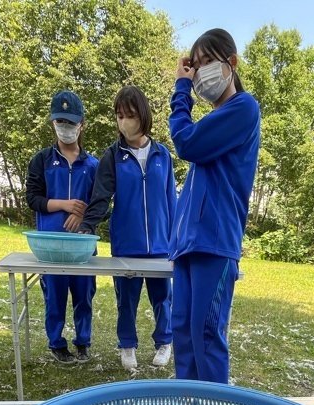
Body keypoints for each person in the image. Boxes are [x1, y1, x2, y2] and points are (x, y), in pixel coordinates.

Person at [169, 29, 261, 383]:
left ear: (231, 63)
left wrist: (181, 90)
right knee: (183, 334)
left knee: (206, 336)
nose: (201, 72)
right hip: (189, 244)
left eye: (209, 62)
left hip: (215, 242)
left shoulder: (243, 108)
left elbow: (185, 142)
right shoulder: (214, 120)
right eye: (197, 65)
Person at [79, 85, 176, 371]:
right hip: (126, 245)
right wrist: (87, 225)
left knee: (163, 299)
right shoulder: (112, 156)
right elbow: (101, 195)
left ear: (143, 116)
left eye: (130, 115)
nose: (124, 122)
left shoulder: (163, 155)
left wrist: (178, 240)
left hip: (161, 246)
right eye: (119, 116)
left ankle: (164, 341)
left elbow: (172, 201)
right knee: (126, 301)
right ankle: (127, 345)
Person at [25, 90, 99, 364]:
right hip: (50, 246)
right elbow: (32, 198)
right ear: (52, 123)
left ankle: (83, 342)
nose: (66, 128)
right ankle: (56, 343)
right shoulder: (42, 160)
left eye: (71, 122)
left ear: (82, 124)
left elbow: (101, 203)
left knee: (84, 296)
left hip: (82, 247)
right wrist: (64, 205)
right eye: (61, 122)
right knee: (54, 297)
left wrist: (85, 219)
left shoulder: (92, 165)